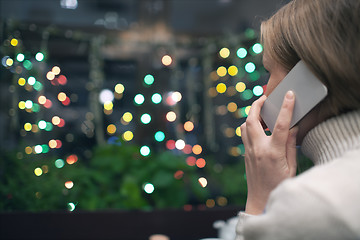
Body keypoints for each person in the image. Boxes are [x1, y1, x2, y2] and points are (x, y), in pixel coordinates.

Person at [235, 0, 360, 239]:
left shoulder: (314, 201)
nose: (264, 91)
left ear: (309, 79)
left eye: (269, 72)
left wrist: (261, 200)